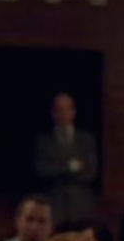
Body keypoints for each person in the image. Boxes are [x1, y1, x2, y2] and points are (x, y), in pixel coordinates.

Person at [34, 93, 98, 227]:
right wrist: (70, 167)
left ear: (74, 112)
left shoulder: (86, 141)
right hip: (54, 208)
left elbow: (90, 173)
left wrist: (58, 169)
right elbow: (43, 170)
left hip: (80, 209)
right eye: (59, 110)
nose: (63, 114)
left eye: (67, 109)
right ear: (52, 113)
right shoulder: (44, 141)